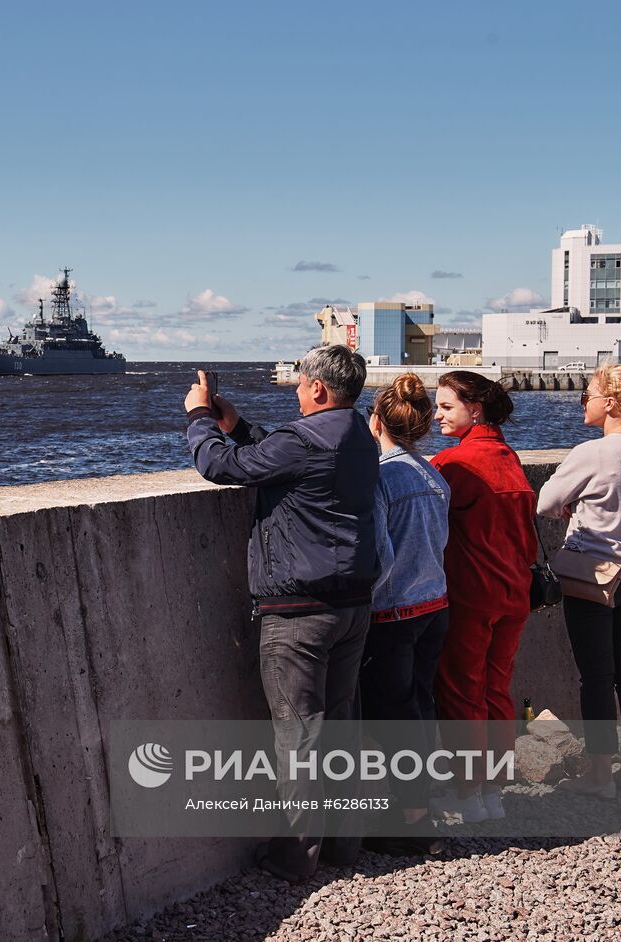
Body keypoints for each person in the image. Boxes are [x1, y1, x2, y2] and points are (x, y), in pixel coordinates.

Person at [184, 346, 377, 882]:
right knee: (340, 728)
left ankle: (295, 859)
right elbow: (286, 456)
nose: (295, 389)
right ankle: (343, 846)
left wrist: (201, 417)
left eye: (299, 383)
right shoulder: (358, 433)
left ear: (318, 388)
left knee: (299, 736)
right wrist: (239, 423)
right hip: (352, 605)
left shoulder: (303, 439)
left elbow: (220, 466)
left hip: (300, 612)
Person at [537, 363, 621, 799]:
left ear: (610, 403)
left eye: (587, 394)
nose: (583, 402)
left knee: (596, 675)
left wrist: (568, 509)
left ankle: (599, 774)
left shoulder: (592, 453)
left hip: (596, 576)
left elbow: (546, 501)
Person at [428, 370, 536, 823]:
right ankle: (492, 789)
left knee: (460, 691)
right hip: (514, 593)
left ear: (476, 410)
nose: (437, 415)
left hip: (472, 592)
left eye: (446, 407)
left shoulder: (455, 464)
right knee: (496, 690)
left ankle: (468, 791)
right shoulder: (507, 457)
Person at [360, 373, 449, 855]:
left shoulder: (382, 477)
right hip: (434, 607)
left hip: (394, 613)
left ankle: (412, 821)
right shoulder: (432, 474)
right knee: (418, 710)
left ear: (376, 423)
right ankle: (421, 807)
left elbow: (381, 555)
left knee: (393, 719)